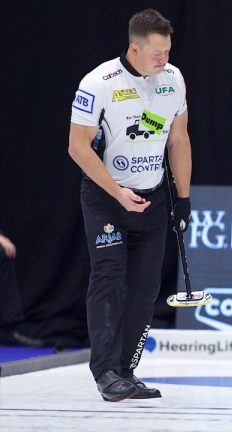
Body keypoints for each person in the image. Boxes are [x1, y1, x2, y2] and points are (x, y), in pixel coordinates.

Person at [68, 9, 191, 402]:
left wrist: (184, 198)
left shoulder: (173, 79)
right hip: (107, 198)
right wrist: (117, 192)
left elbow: (179, 140)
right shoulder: (99, 83)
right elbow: (77, 147)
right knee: (108, 279)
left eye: (168, 51)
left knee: (144, 288)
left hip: (152, 198)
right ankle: (104, 371)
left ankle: (126, 371)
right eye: (156, 53)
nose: (164, 60)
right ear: (133, 48)